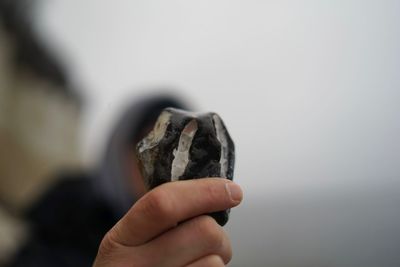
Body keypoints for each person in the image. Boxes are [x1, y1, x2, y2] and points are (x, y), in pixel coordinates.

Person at [7, 95, 243, 267]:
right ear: (120, 152)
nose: (168, 167)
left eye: (185, 150)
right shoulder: (62, 220)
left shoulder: (196, 240)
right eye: (157, 145)